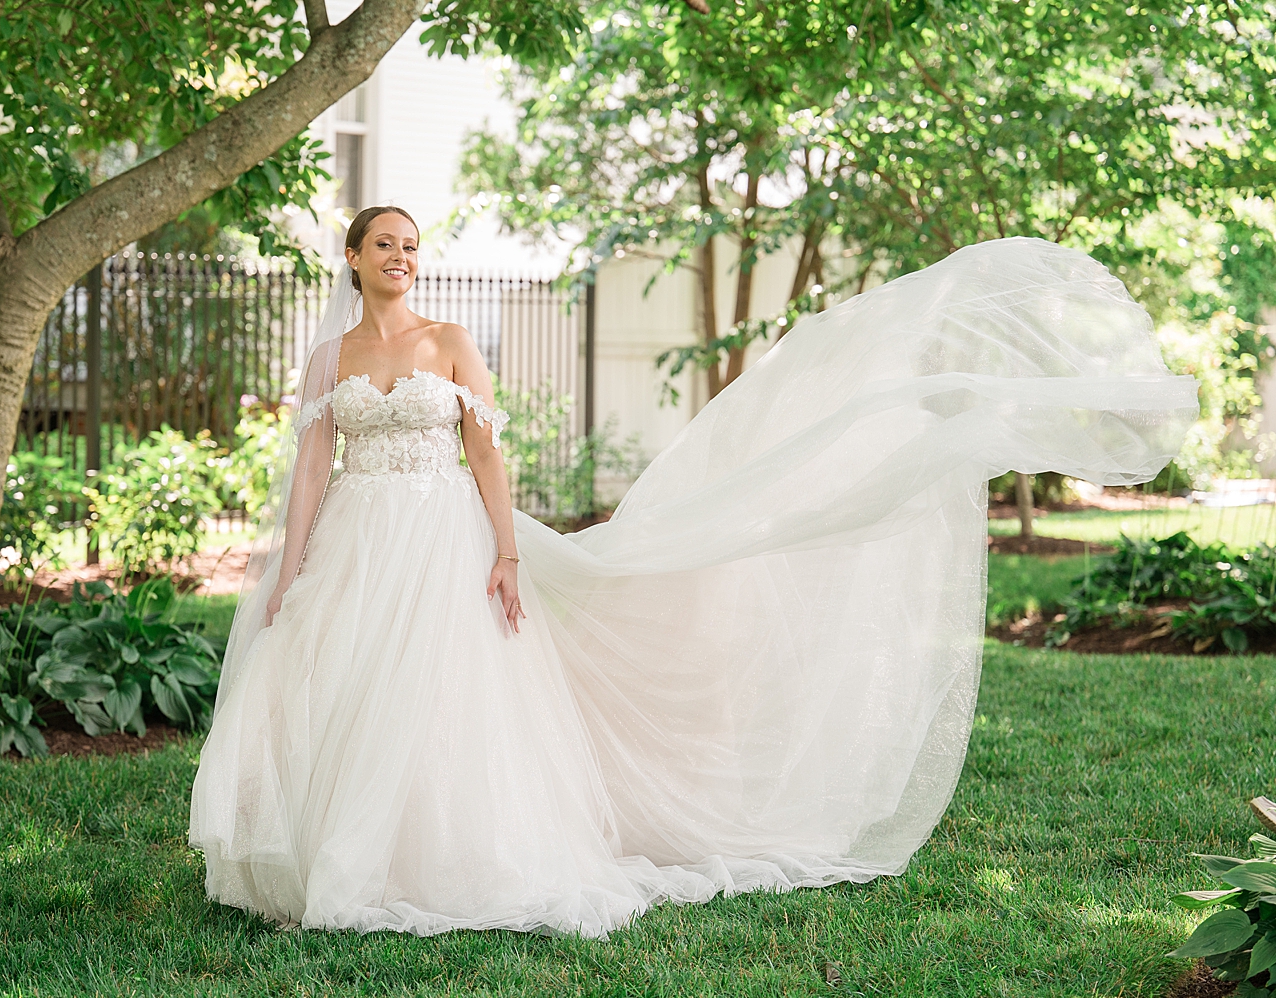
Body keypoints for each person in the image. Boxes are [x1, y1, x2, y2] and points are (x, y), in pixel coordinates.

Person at [189, 205, 1197, 938]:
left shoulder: (452, 342)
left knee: (443, 692)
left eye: (412, 246)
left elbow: (486, 455)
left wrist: (503, 548)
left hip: (442, 531)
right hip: (360, 538)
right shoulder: (329, 360)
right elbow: (316, 462)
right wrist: (294, 558)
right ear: (354, 257)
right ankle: (336, 850)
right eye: (384, 246)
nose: (401, 259)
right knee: (350, 685)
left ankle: (438, 854)